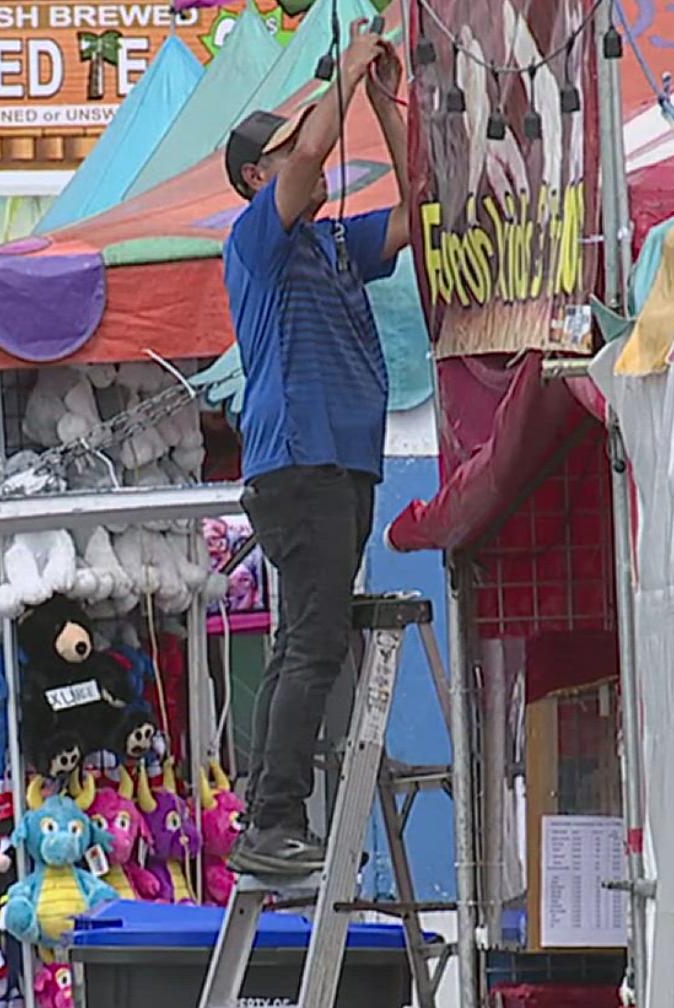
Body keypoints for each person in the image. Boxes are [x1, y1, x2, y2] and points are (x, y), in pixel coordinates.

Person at [221, 21, 411, 876]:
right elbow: (308, 157)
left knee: (307, 637)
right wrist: (345, 74)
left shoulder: (334, 243)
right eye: (288, 153)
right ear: (256, 177)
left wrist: (382, 101)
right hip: (300, 462)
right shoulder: (259, 239)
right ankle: (273, 818)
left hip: (337, 461)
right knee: (314, 642)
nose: (312, 157)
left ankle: (272, 809)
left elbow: (420, 211)